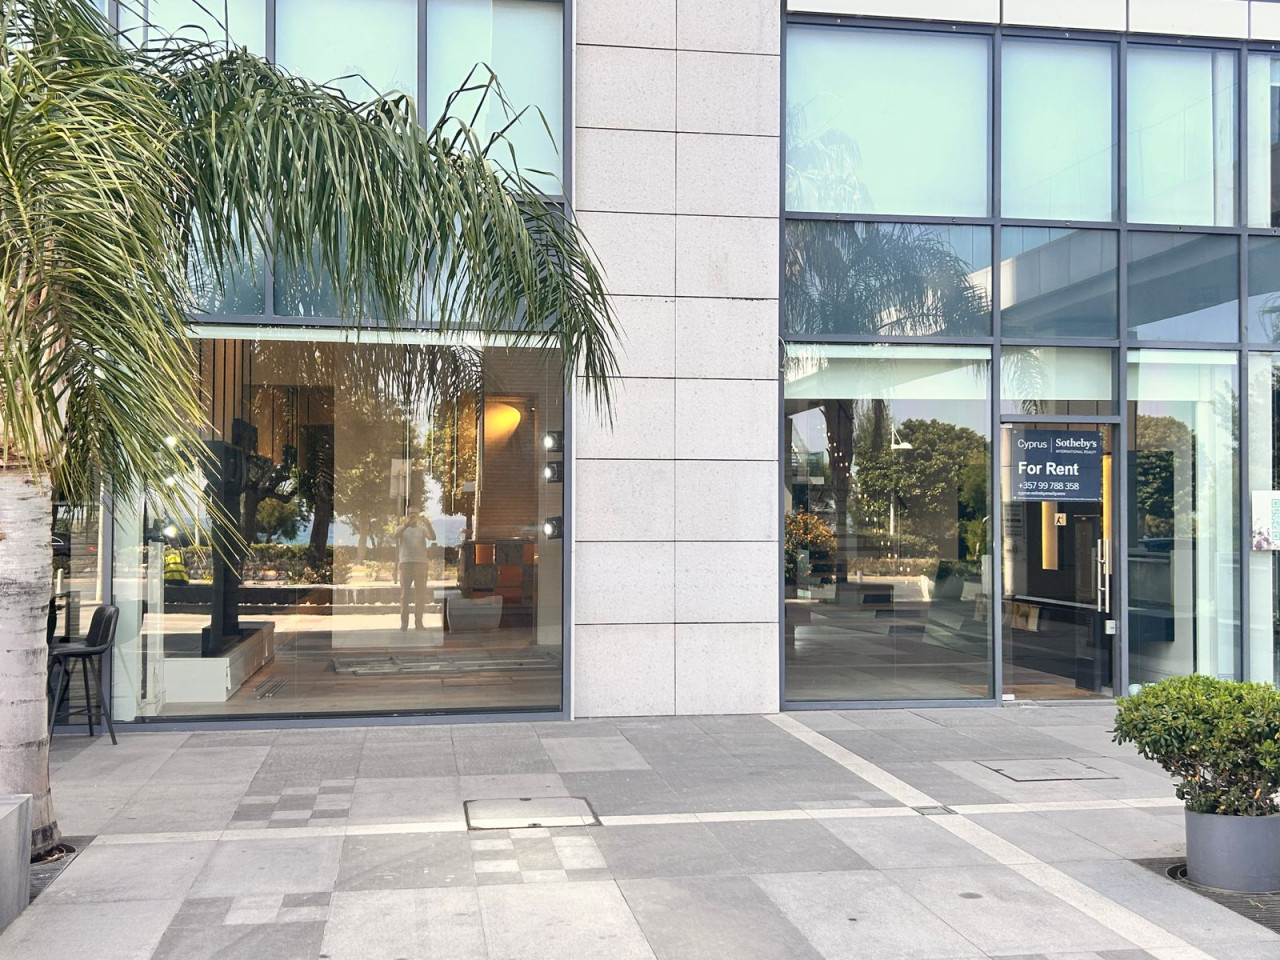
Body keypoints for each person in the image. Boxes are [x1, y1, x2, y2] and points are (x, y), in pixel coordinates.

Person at [393, 507, 435, 630]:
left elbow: (433, 537)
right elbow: (395, 536)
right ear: (407, 515)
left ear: (418, 515)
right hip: (406, 564)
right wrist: (406, 525)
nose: (412, 516)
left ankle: (418, 623)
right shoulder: (401, 528)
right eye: (411, 514)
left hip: (420, 564)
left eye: (415, 514)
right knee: (404, 595)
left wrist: (428, 524)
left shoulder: (422, 529)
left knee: (420, 595)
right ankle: (404, 624)